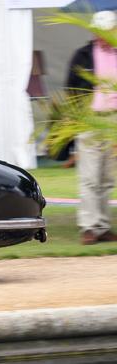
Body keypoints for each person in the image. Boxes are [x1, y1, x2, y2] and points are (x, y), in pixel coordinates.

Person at [74, 11, 117, 245]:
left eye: (107, 31)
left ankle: (102, 226)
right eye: (98, 31)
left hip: (114, 120)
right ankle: (89, 227)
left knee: (107, 178)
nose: (102, 36)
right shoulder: (83, 55)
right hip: (90, 120)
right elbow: (71, 88)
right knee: (90, 177)